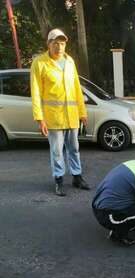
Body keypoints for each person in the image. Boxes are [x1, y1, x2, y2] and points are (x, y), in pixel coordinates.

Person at [30, 28, 90, 196]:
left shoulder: (70, 61)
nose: (59, 46)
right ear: (48, 44)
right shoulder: (40, 63)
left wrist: (82, 112)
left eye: (62, 43)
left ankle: (77, 177)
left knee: (74, 148)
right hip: (53, 116)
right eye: (56, 43)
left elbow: (77, 88)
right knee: (57, 151)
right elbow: (35, 92)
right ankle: (58, 180)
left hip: (71, 116)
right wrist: (39, 118)